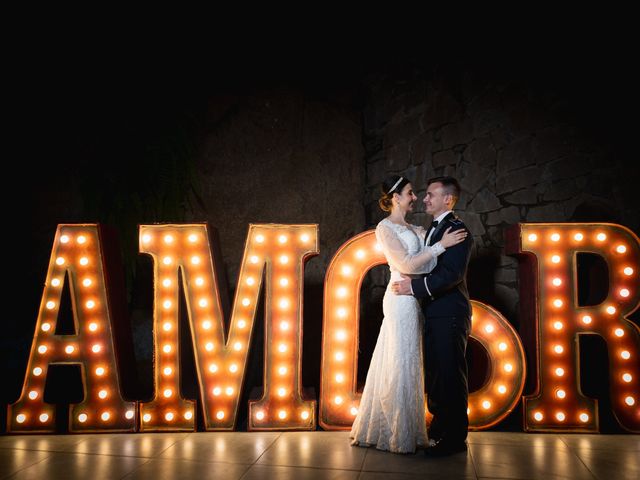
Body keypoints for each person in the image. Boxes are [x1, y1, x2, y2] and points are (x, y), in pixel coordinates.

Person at [349, 175, 467, 454]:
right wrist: (439, 247)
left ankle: (414, 428)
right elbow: (403, 262)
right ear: (395, 198)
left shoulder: (418, 228)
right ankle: (396, 431)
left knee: (414, 360)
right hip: (400, 298)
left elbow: (428, 268)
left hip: (415, 295)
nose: (416, 198)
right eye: (411, 193)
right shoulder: (384, 227)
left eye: (418, 193)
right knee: (401, 358)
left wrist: (422, 271)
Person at [391, 176, 473, 457]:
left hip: (450, 312)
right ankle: (439, 429)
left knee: (450, 375)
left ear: (447, 199)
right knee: (437, 374)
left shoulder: (457, 229)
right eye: (423, 195)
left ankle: (454, 438)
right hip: (434, 312)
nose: (424, 199)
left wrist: (412, 288)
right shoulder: (434, 230)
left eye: (430, 195)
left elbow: (452, 275)